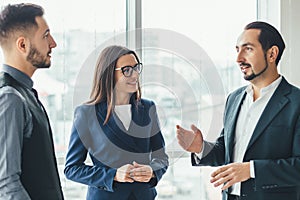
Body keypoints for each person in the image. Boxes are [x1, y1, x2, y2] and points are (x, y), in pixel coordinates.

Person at [176, 21, 300, 200]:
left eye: (248, 49)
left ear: (272, 54)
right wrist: (201, 148)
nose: (238, 58)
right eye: (237, 50)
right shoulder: (234, 99)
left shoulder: (296, 102)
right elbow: (226, 152)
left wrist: (251, 170)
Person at [64, 45, 169, 200]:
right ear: (108, 74)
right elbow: (72, 169)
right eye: (127, 70)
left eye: (136, 68)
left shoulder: (148, 108)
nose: (134, 75)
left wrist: (152, 171)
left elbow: (161, 157)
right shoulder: (86, 113)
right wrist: (113, 175)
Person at [0, 3, 64, 200]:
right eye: (46, 35)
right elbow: (6, 183)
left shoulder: (26, 94)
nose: (53, 43)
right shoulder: (10, 97)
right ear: (22, 45)